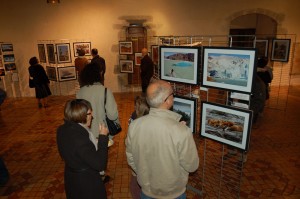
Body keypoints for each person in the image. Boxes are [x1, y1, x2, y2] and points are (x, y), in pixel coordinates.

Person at [125, 80, 199, 199]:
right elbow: (192, 166)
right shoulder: (181, 131)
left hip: (147, 191)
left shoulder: (134, 126)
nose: (173, 97)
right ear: (167, 100)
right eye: (172, 94)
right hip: (174, 194)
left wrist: (144, 175)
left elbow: (131, 158)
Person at [76, 62, 120, 182]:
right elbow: (112, 114)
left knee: (90, 153)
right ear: (99, 75)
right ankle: (100, 175)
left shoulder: (80, 92)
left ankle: (95, 173)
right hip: (102, 131)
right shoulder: (105, 91)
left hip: (86, 129)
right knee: (101, 152)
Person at [57, 99, 109, 199]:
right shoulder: (79, 137)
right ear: (80, 115)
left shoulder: (62, 129)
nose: (92, 116)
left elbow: (75, 152)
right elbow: (100, 164)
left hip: (71, 177)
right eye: (89, 113)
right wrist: (103, 138)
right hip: (86, 182)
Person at [127, 95, 150, 199]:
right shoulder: (134, 117)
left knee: (135, 185)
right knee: (135, 184)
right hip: (138, 157)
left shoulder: (142, 122)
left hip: (142, 159)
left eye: (136, 107)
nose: (134, 109)